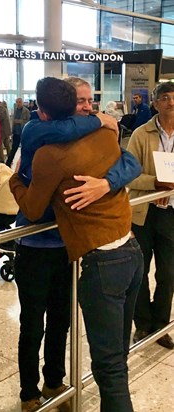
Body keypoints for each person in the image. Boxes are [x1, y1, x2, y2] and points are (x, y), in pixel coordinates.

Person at [9, 76, 144, 412]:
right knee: (33, 323)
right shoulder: (44, 136)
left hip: (75, 249)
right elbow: (36, 210)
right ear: (69, 110)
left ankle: (54, 381)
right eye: (80, 103)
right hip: (39, 245)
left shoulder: (95, 132)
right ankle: (30, 392)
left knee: (63, 322)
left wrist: (105, 183)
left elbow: (130, 162)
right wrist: (99, 121)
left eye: (90, 103)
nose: (87, 108)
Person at [127, 81, 174, 350]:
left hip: (171, 214)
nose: (171, 102)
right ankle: (142, 323)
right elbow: (129, 173)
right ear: (155, 103)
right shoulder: (140, 134)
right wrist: (156, 183)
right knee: (140, 272)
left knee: (168, 273)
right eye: (164, 98)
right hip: (143, 212)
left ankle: (161, 326)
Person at [6, 97, 30, 167]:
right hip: (16, 133)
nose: (18, 103)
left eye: (19, 102)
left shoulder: (26, 111)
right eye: (17, 102)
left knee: (24, 149)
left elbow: (28, 121)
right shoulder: (15, 111)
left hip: (23, 133)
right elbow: (13, 121)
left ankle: (24, 164)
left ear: (22, 102)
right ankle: (8, 163)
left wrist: (19, 121)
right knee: (13, 149)